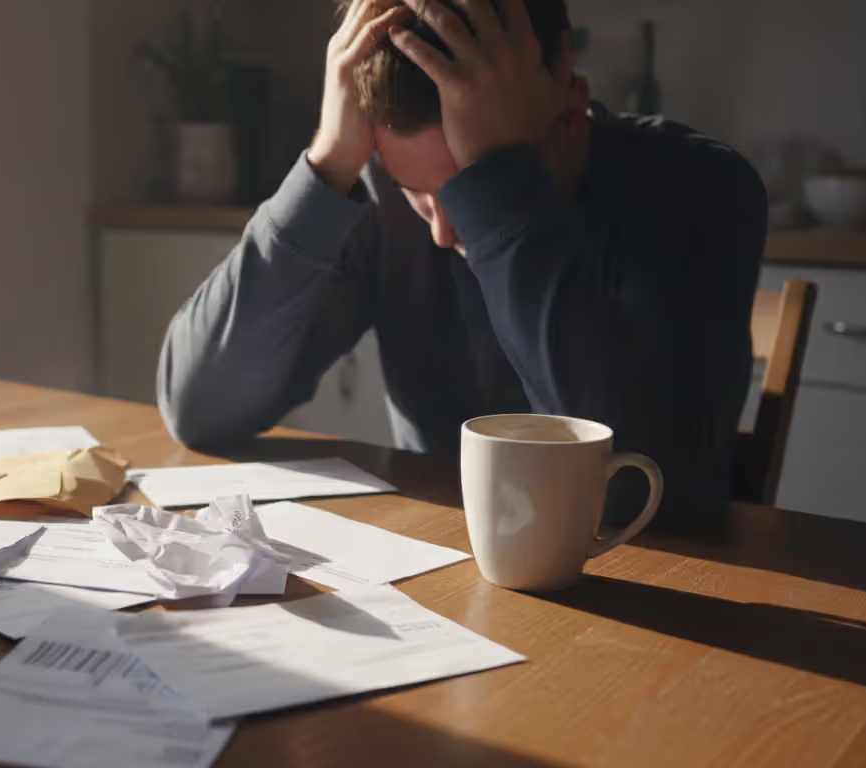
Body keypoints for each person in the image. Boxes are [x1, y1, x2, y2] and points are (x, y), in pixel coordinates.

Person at [157, 0, 767, 521]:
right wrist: (327, 163)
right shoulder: (374, 192)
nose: (447, 233)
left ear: (571, 99)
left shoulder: (700, 187)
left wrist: (502, 195)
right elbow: (200, 411)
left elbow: (636, 491)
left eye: (470, 190)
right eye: (417, 194)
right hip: (446, 577)